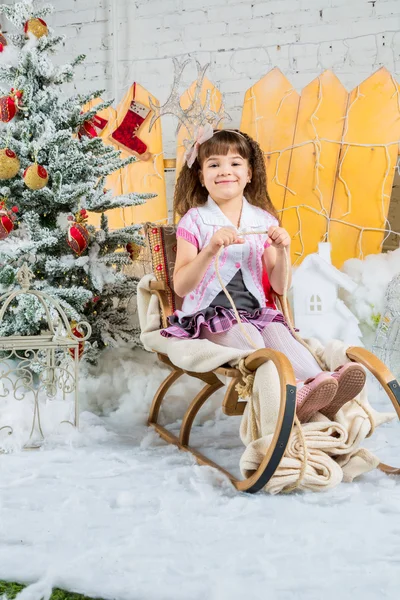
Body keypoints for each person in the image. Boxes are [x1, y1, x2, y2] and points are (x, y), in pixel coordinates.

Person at [161, 127, 365, 422]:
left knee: (282, 338)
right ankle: (289, 396)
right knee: (258, 349)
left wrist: (282, 250)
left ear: (249, 174)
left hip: (257, 313)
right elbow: (181, 286)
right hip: (211, 317)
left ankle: (322, 386)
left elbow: (280, 286)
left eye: (235, 163)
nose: (224, 171)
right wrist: (210, 250)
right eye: (214, 165)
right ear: (201, 176)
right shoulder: (195, 220)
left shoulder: (262, 220)